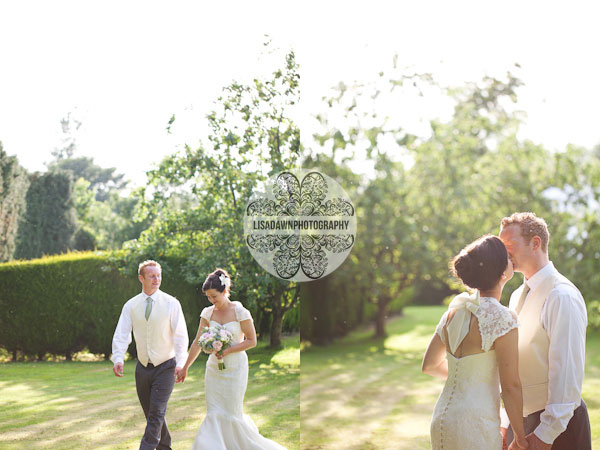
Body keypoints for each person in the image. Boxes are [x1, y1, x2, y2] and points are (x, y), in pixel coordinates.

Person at [422, 235, 529, 450]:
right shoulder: (503, 318)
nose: (512, 260)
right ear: (502, 272)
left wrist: (467, 379)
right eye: (507, 257)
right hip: (476, 423)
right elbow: (510, 387)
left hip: (443, 419)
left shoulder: (453, 312)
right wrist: (520, 437)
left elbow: (429, 366)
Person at [499, 212, 591, 450]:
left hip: (558, 429)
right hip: (521, 424)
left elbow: (567, 374)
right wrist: (505, 422)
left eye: (510, 245)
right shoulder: (517, 295)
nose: (504, 253)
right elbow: (513, 365)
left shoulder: (562, 296)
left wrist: (545, 434)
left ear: (535, 243)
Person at [176, 268, 288, 450]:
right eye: (208, 297)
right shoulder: (207, 313)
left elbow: (252, 341)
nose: (212, 301)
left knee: (231, 412)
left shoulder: (240, 311)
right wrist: (185, 367)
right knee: (214, 413)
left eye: (214, 296)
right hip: (214, 370)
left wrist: (228, 350)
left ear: (225, 291)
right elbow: (197, 342)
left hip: (236, 369)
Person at [111, 260, 189, 450]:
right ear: (141, 278)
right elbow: (122, 333)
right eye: (152, 276)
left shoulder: (171, 303)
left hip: (167, 366)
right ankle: (165, 447)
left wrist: (181, 363)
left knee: (156, 412)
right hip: (142, 368)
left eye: (159, 275)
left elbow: (180, 336)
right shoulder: (130, 305)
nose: (157, 279)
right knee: (152, 413)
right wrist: (118, 358)